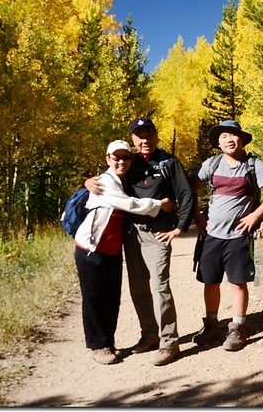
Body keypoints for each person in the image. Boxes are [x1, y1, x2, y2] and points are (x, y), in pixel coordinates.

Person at [86, 117, 196, 366]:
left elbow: (187, 193)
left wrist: (179, 228)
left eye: (149, 134)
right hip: (130, 233)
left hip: (157, 234)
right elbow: (106, 180)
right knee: (137, 286)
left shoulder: (169, 162)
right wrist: (87, 183)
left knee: (160, 286)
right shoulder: (128, 161)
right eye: (139, 135)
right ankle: (150, 335)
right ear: (133, 140)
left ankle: (169, 342)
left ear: (157, 136)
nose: (144, 139)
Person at [74, 140, 174, 365]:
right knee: (93, 298)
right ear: (107, 159)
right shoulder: (104, 182)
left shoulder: (123, 179)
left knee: (111, 298)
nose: (121, 161)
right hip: (91, 248)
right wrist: (160, 205)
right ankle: (97, 345)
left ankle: (108, 343)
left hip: (111, 249)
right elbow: (128, 204)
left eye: (126, 157)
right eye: (116, 157)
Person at [191, 120, 263, 351]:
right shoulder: (211, 164)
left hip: (239, 235)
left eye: (233, 135)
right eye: (224, 136)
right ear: (218, 142)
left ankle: (237, 328)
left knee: (237, 281)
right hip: (211, 235)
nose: (229, 139)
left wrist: (255, 216)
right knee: (210, 280)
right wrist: (197, 218)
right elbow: (189, 189)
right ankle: (211, 325)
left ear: (241, 140)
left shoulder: (253, 165)